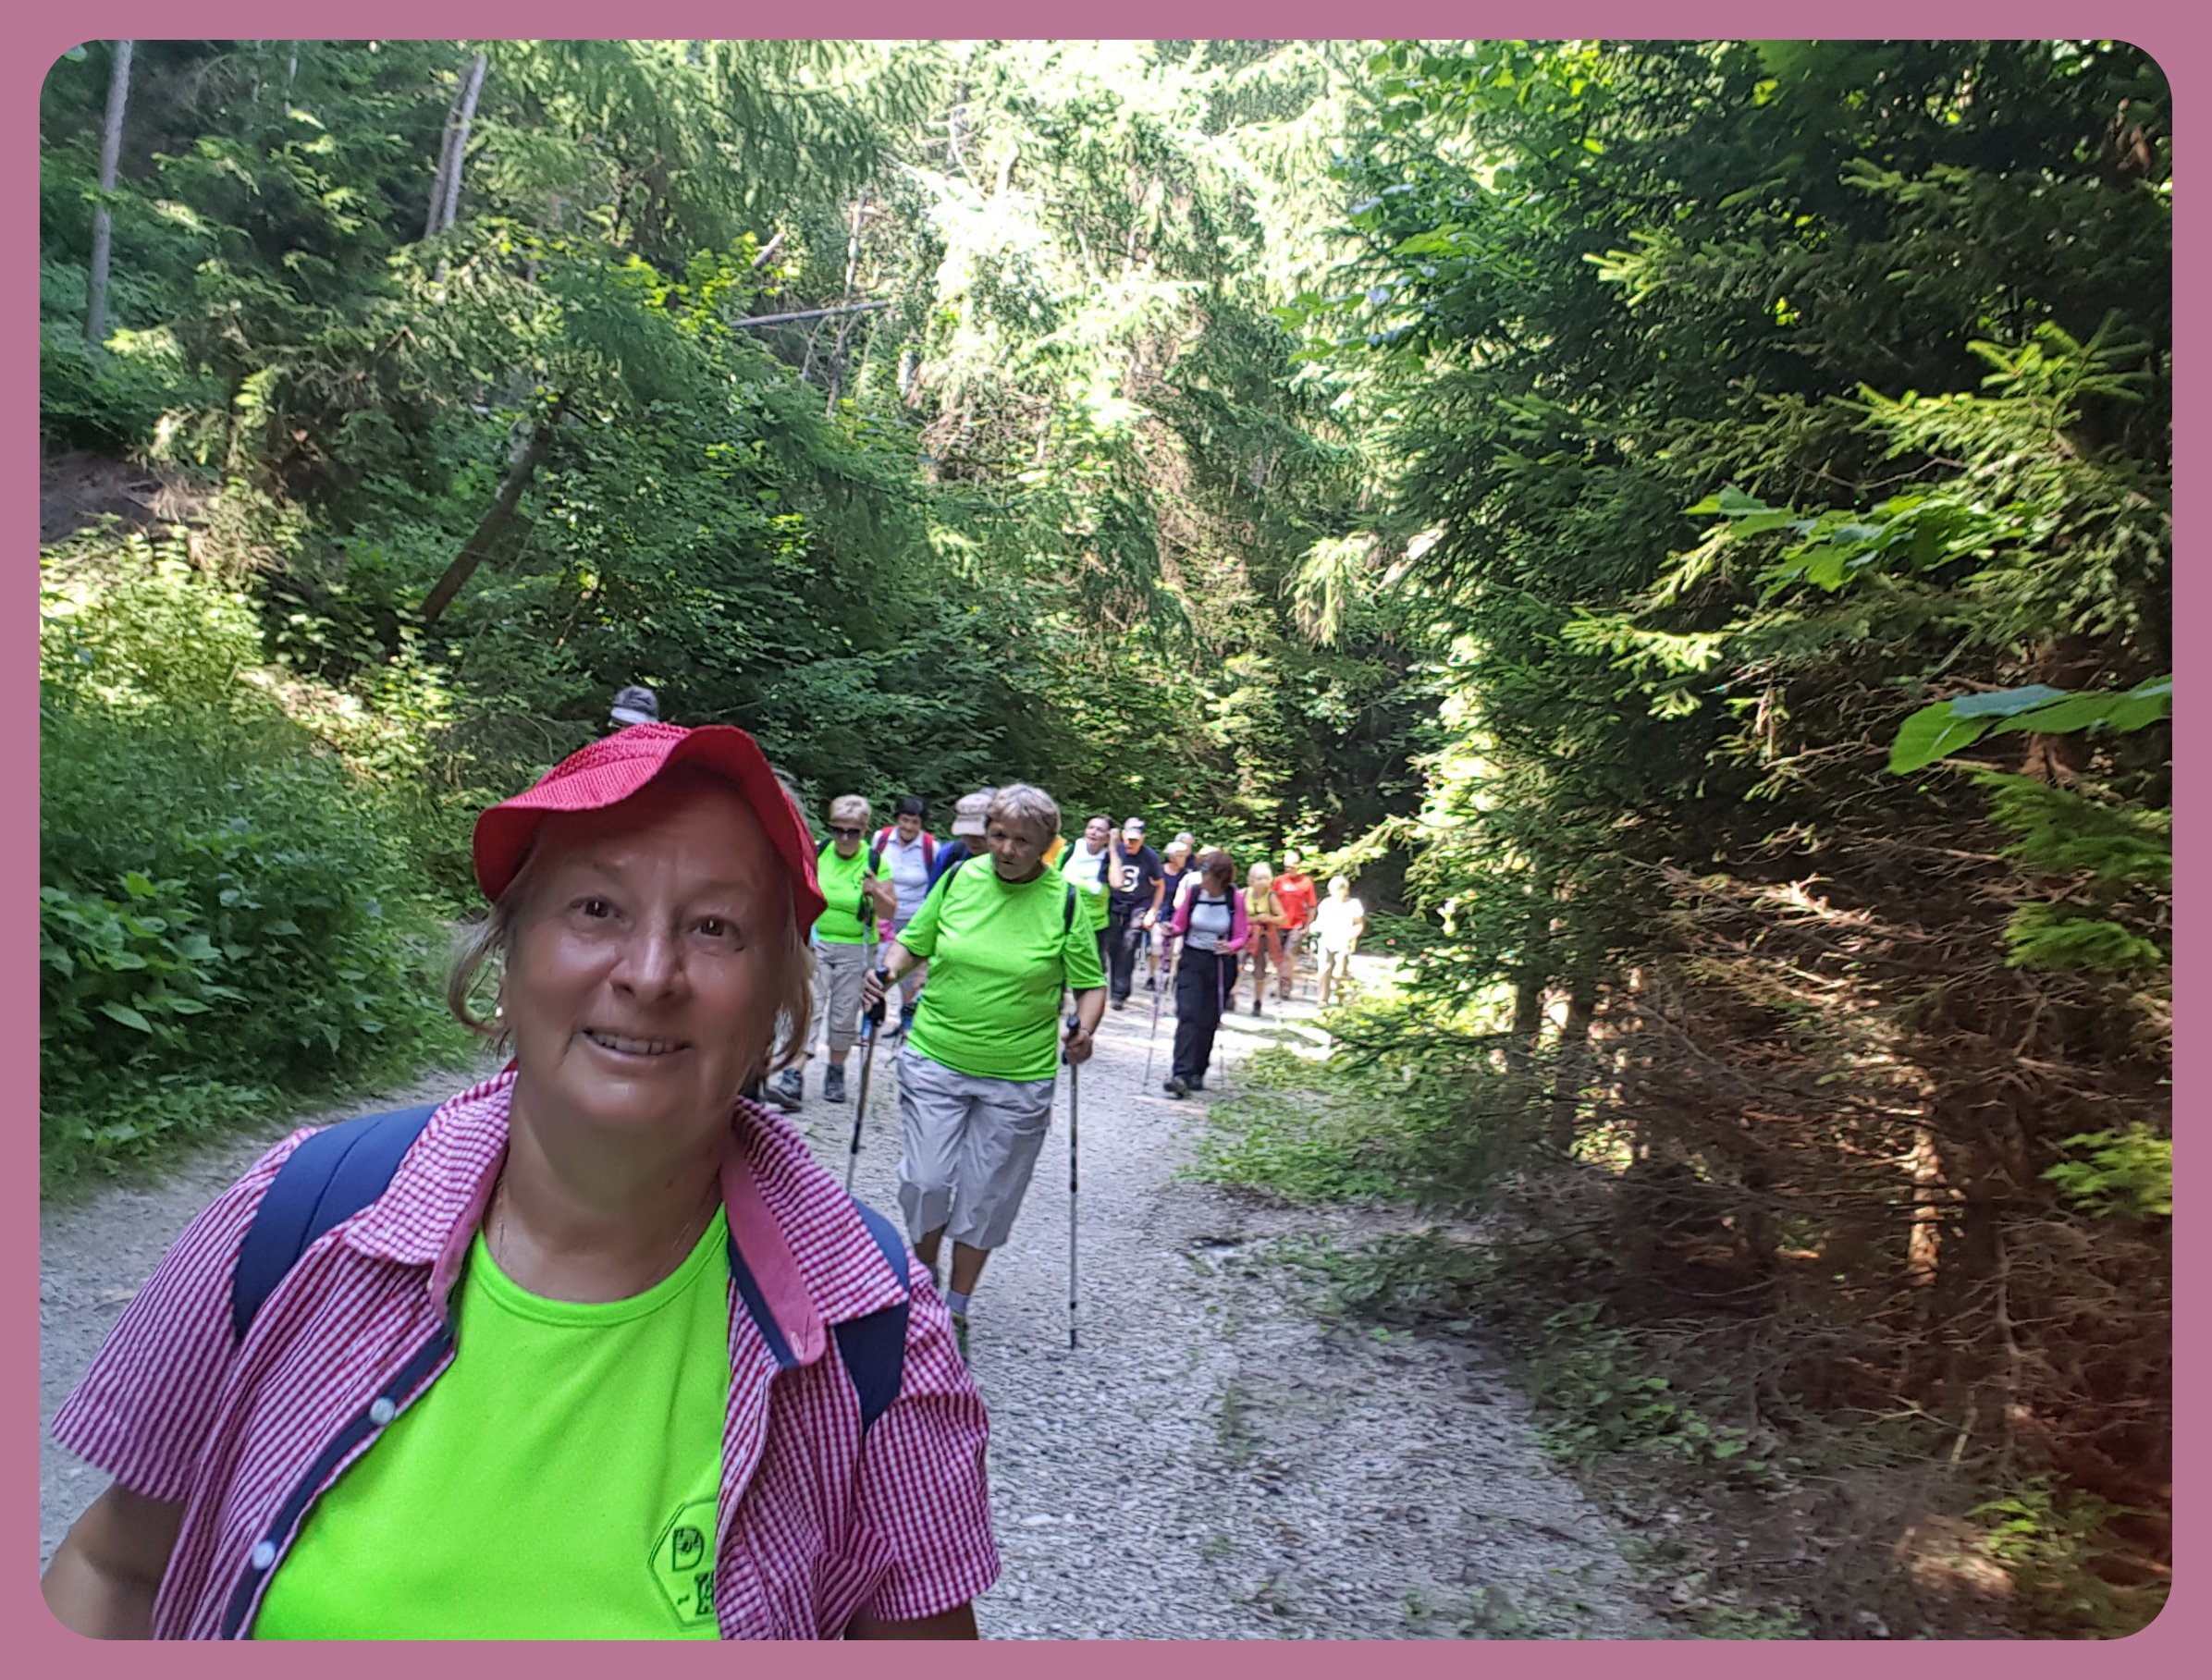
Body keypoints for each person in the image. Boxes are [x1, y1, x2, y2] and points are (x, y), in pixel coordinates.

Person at [43, 721, 995, 1639]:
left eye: (715, 926)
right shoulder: (297, 1218)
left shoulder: (876, 1329)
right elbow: (117, 1569)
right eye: (597, 909)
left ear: (775, 1001)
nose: (650, 973)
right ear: (510, 955)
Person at [862, 785, 1106, 1359]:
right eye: (998, 835)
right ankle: (923, 1281)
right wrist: (886, 973)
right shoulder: (958, 879)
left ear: (1047, 846)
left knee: (986, 1195)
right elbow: (914, 943)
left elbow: (1090, 986)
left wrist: (1084, 1030)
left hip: (1018, 1074)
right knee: (925, 1182)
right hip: (936, 1056)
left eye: (1022, 841)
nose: (1007, 849)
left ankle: (955, 1308)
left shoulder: (1064, 902)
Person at [1162, 850, 1248, 1099]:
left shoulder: (1234, 898)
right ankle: (1180, 1073)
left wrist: (1230, 946)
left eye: (1206, 873)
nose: (1202, 877)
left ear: (1220, 877)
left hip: (1220, 964)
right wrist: (1170, 929)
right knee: (1188, 1014)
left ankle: (1198, 1071)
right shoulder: (1194, 893)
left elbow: (1242, 934)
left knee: (1208, 1019)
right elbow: (1180, 924)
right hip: (1192, 959)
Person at [873, 796, 938, 1037]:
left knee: (908, 978)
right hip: (883, 918)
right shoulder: (881, 839)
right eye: (905, 820)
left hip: (913, 919)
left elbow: (934, 884)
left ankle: (904, 1023)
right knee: (879, 969)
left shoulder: (930, 848)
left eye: (914, 822)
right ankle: (872, 1019)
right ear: (897, 819)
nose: (909, 827)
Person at [1102, 816, 1164, 1011]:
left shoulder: (1150, 857)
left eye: (1135, 840)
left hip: (1139, 906)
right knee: (1113, 947)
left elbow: (1160, 885)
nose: (1131, 843)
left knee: (1129, 946)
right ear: (1122, 836)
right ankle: (1114, 987)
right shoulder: (1115, 851)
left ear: (1143, 838)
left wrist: (1153, 911)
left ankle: (1119, 994)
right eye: (1129, 839)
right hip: (1115, 903)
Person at [1060, 812, 1114, 974]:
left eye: (1100, 830)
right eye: (1091, 828)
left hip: (1095, 927)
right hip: (1064, 921)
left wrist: (1114, 850)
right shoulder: (1069, 851)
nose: (1093, 832)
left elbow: (1115, 885)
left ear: (1107, 837)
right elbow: (1054, 878)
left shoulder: (1111, 860)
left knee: (1091, 972)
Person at [1312, 873, 1368, 1008]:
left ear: (1345, 890)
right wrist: (1313, 929)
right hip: (1326, 940)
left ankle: (1340, 999)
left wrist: (1351, 936)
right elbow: (1320, 922)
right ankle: (1322, 999)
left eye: (1340, 889)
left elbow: (1359, 924)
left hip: (1344, 941)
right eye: (1334, 889)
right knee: (1324, 970)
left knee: (1339, 972)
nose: (1337, 892)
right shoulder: (1326, 904)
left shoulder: (1353, 904)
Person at [1272, 849, 1320, 1002]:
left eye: (1292, 866)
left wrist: (1308, 925)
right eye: (1286, 867)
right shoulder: (1278, 881)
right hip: (1279, 924)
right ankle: (1280, 983)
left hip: (1297, 925)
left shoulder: (1306, 882)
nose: (1289, 870)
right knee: (1278, 957)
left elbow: (1312, 906)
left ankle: (1286, 987)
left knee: (1289, 955)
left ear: (1298, 865)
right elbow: (1271, 901)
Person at [1148, 836, 1194, 990]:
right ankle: (1151, 976)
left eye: (1184, 856)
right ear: (1172, 857)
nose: (1183, 859)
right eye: (1180, 856)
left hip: (1178, 915)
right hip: (1160, 912)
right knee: (1156, 946)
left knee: (1176, 950)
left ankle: (1172, 978)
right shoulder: (1159, 871)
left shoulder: (1187, 875)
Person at [928, 789, 996, 890]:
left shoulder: (1012, 861)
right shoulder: (950, 854)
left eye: (979, 834)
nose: (972, 840)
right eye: (966, 832)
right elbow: (933, 895)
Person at [1243, 861, 1286, 1016]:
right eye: (1259, 878)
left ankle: (1257, 1001)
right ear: (1251, 880)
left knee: (1259, 970)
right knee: (1237, 964)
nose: (1263, 882)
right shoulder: (1243, 894)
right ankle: (1231, 995)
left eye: (1266, 878)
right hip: (1243, 934)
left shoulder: (1271, 896)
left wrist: (1268, 918)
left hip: (1261, 936)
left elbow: (1283, 918)